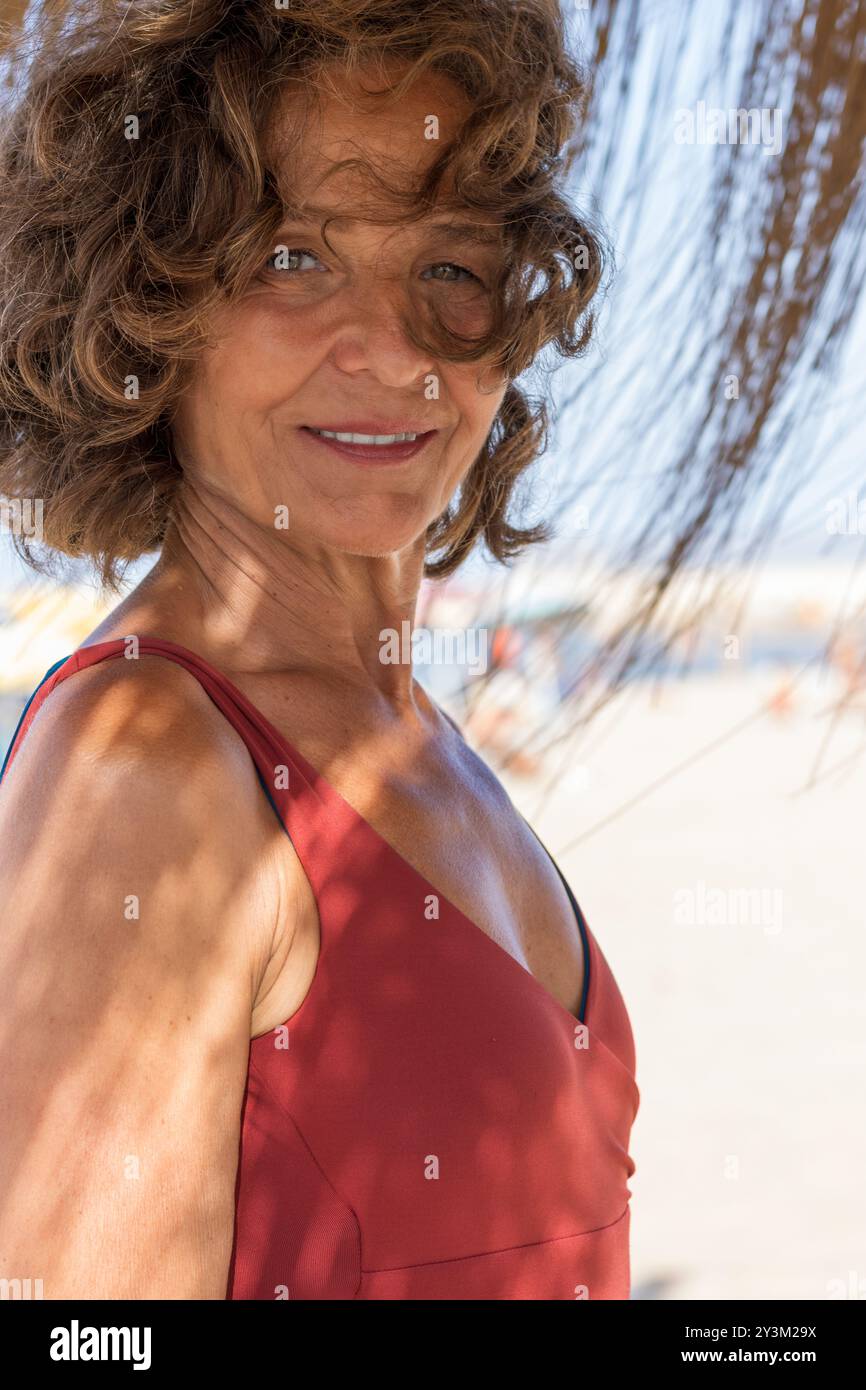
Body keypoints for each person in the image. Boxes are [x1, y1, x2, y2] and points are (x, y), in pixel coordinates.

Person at [0, 0, 638, 1299]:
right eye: (293, 258)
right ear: (149, 309)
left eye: (449, 267)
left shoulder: (435, 751)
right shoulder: (151, 760)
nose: (394, 347)